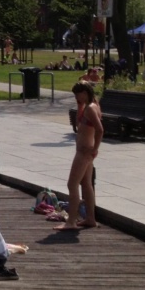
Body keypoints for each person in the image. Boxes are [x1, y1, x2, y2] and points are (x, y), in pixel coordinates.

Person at [55, 82, 103, 230]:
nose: (76, 97)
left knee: (72, 184)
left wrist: (95, 149)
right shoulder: (89, 106)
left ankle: (71, 221)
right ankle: (90, 218)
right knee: (86, 184)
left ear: (85, 92)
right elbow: (78, 125)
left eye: (78, 94)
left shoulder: (91, 108)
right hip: (84, 151)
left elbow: (100, 130)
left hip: (84, 152)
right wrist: (79, 105)